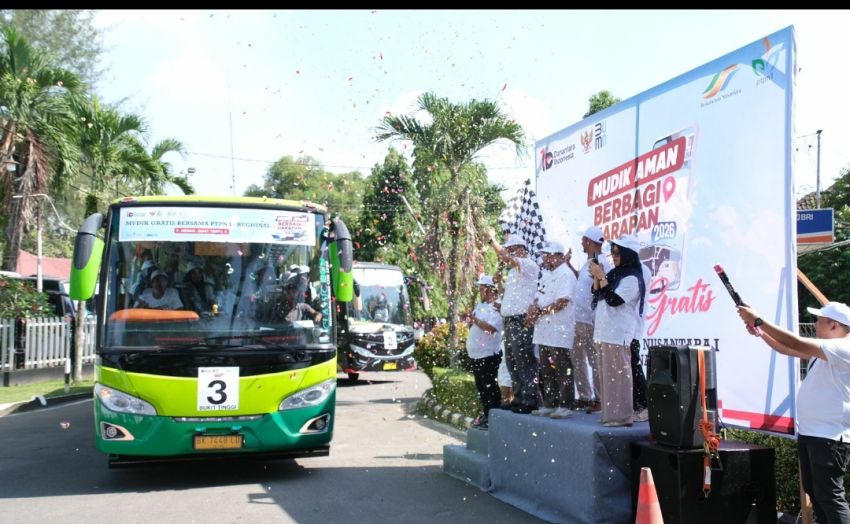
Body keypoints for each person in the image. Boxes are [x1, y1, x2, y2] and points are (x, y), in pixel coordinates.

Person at [738, 301, 850, 523]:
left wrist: (759, 320)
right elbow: (787, 348)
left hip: (829, 436)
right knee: (815, 491)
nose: (814, 324)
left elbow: (794, 341)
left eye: (818, 321)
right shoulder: (826, 350)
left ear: (834, 326)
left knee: (830, 496)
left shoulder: (843, 347)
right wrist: (760, 332)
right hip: (812, 433)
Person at [589, 234, 645, 427]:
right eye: (612, 252)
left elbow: (614, 300)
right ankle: (610, 413)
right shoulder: (615, 273)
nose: (613, 256)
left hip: (618, 333)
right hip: (604, 331)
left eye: (617, 252)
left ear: (628, 254)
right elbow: (597, 293)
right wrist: (599, 276)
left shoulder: (632, 278)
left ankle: (621, 416)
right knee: (606, 376)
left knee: (618, 377)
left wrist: (601, 276)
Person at [487, 229, 540, 414]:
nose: (506, 254)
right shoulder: (513, 273)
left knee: (524, 359)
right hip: (509, 320)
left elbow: (507, 258)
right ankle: (519, 397)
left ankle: (530, 398)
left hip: (521, 320)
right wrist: (500, 282)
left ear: (520, 249)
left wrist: (492, 241)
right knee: (512, 360)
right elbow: (506, 295)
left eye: (510, 250)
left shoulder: (529, 265)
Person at [527, 240, 577, 419]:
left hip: (559, 331)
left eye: (548, 255)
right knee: (547, 369)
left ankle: (566, 404)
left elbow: (562, 302)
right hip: (543, 332)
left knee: (562, 367)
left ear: (559, 256)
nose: (545, 259)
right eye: (544, 255)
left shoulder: (566, 274)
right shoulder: (546, 275)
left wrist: (541, 311)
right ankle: (550, 403)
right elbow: (537, 297)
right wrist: (533, 309)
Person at [568, 226, 611, 413]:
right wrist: (569, 266)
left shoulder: (602, 263)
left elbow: (603, 286)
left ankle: (600, 399)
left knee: (594, 360)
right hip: (578, 319)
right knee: (577, 359)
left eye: (583, 240)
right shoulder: (587, 262)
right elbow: (583, 281)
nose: (581, 243)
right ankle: (585, 396)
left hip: (592, 320)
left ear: (589, 241)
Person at [466, 274, 504, 429]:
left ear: (490, 289)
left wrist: (474, 320)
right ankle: (487, 415)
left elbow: (490, 329)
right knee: (482, 389)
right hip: (475, 354)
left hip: (488, 355)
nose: (480, 291)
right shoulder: (480, 305)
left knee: (490, 389)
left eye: (482, 288)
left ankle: (494, 418)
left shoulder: (497, 306)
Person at [630, 261, 652, 422]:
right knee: (629, 367)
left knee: (633, 365)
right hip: (623, 328)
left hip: (631, 327)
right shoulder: (629, 269)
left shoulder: (639, 269)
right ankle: (635, 405)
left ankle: (644, 406)